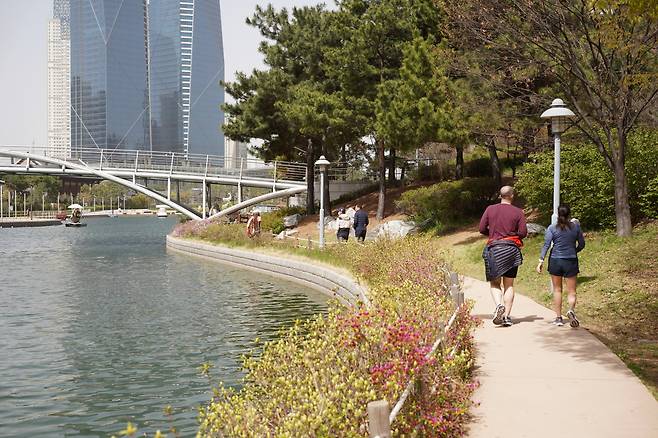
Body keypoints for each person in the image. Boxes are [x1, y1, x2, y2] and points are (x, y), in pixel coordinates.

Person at [479, 186, 528, 327]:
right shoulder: (518, 212)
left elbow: (482, 228)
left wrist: (494, 233)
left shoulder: (490, 209)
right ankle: (506, 316)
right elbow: (523, 232)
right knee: (509, 284)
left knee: (494, 283)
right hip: (512, 250)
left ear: (500, 195)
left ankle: (499, 305)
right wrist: (512, 235)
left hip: (494, 250)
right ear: (511, 195)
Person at [536, 205, 585, 327]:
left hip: (555, 261)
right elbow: (582, 244)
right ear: (569, 214)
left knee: (557, 290)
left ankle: (558, 318)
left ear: (558, 214)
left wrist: (541, 261)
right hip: (571, 261)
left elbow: (546, 245)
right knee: (572, 291)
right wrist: (575, 250)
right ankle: (571, 311)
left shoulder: (552, 228)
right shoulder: (576, 227)